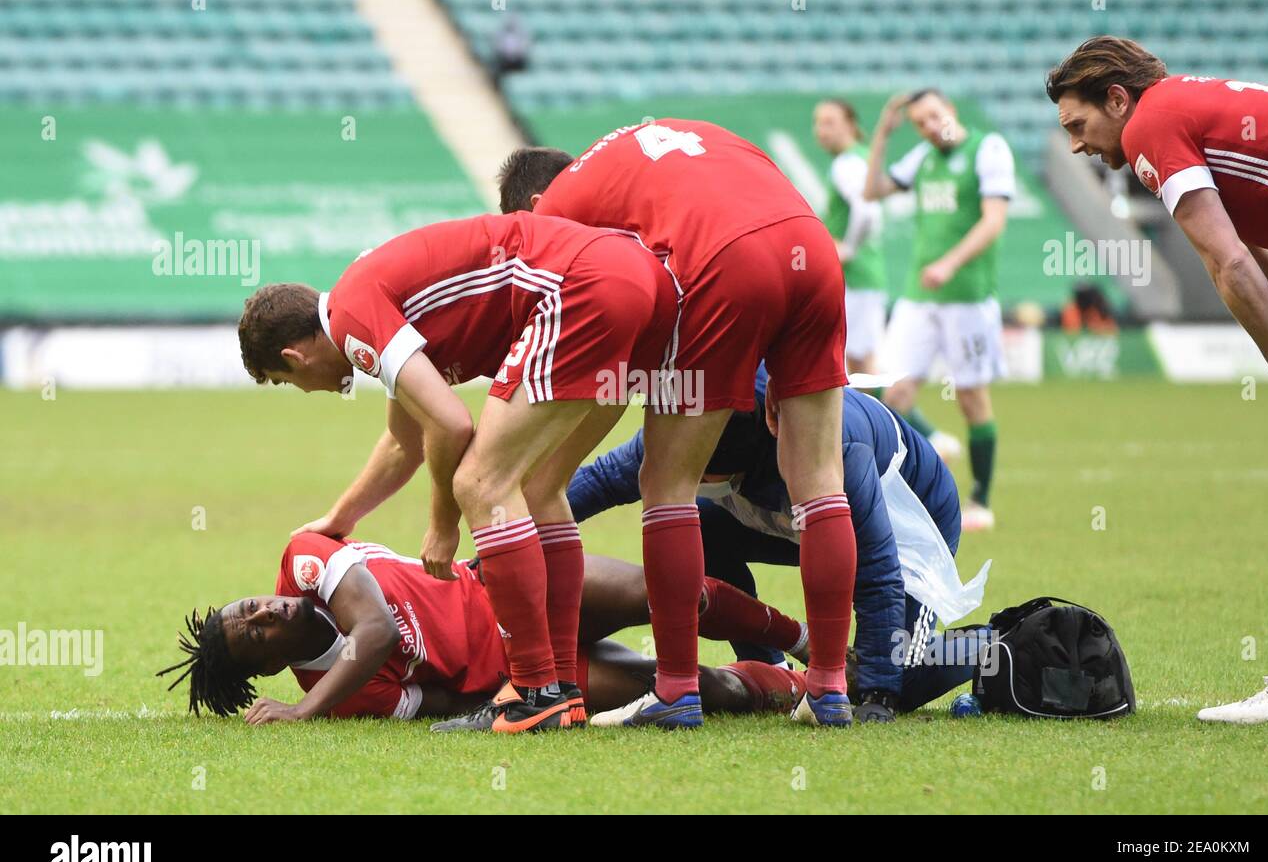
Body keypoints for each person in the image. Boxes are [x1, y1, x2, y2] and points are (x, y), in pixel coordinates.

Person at [236, 211, 677, 732]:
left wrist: (443, 524)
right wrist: (340, 516)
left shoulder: (354, 321)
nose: (305, 390)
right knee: (540, 486)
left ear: (295, 357)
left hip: (582, 288)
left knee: (480, 484)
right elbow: (408, 440)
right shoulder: (365, 294)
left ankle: (537, 692)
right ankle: (565, 684)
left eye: (285, 381)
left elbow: (449, 424)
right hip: (643, 281)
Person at [497, 120, 858, 728]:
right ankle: (828, 688)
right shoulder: (671, 141)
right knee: (821, 479)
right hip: (812, 250)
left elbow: (585, 314)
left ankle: (676, 691)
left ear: (534, 206)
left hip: (726, 262)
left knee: (665, 480)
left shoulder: (555, 212)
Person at [1046, 35, 1268, 723]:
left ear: (1118, 100)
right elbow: (1264, 259)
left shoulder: (1156, 125)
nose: (1076, 145)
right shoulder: (1189, 113)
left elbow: (1229, 269)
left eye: (1079, 124)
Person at [569, 365, 991, 723]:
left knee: (902, 678)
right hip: (797, 512)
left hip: (911, 523)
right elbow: (600, 481)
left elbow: (877, 567)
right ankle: (771, 669)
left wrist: (879, 696)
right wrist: (516, 534)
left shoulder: (831, 450)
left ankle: (993, 644)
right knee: (699, 528)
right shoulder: (690, 427)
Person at [156, 533, 810, 726]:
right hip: (530, 673)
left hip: (508, 588)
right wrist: (501, 691)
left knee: (671, 594)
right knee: (704, 686)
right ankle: (802, 682)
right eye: (255, 636)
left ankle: (813, 645)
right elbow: (440, 701)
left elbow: (378, 630)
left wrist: (304, 711)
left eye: (249, 607)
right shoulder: (348, 695)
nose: (266, 613)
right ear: (267, 668)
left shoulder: (301, 558)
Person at [864, 89, 1015, 532]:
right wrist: (882, 134)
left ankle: (981, 500)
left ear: (950, 109)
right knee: (891, 394)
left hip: (968, 298)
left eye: (933, 117)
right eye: (919, 123)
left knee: (971, 398)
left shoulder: (987, 149)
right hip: (918, 297)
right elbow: (871, 191)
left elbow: (993, 221)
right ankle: (907, 484)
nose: (929, 127)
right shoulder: (921, 158)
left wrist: (950, 263)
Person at [812, 99, 888, 374]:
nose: (821, 130)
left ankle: (889, 418)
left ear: (850, 126)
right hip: (862, 273)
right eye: (818, 123)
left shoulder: (848, 163)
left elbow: (866, 210)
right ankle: (891, 416)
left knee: (860, 364)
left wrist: (848, 248)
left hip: (855, 274)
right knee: (859, 362)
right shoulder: (861, 157)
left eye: (829, 123)